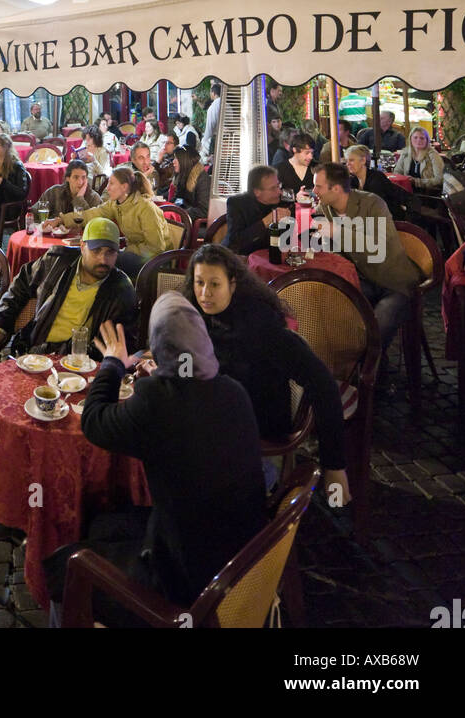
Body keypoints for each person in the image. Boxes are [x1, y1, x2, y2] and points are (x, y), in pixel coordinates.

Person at [42, 293, 268, 621]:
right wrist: (162, 376)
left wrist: (113, 364)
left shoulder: (157, 403)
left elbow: (93, 422)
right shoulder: (233, 391)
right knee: (104, 522)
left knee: (64, 570)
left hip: (185, 586)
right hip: (242, 561)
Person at [184, 246, 349, 500]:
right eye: (199, 283)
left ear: (233, 284)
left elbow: (323, 383)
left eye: (214, 284)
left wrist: (334, 465)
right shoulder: (199, 316)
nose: (205, 293)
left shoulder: (262, 328)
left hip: (257, 435)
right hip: (213, 422)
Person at [0, 218, 137, 361]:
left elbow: (122, 343)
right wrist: (2, 325)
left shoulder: (122, 290)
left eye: (110, 252)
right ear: (82, 246)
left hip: (83, 364)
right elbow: (19, 287)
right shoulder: (56, 261)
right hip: (36, 354)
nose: (103, 259)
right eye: (96, 251)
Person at [312, 163, 422, 351]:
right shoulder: (324, 210)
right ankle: (345, 367)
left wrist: (337, 231)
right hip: (361, 280)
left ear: (336, 188)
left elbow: (379, 247)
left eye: (318, 186)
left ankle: (370, 374)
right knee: (329, 314)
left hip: (393, 282)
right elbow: (329, 251)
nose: (313, 191)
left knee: (375, 330)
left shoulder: (372, 203)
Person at [53, 165, 175, 280]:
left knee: (107, 259)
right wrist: (62, 220)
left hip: (155, 262)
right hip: (135, 255)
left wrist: (127, 250)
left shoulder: (145, 208)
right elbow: (91, 214)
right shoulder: (116, 204)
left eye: (111, 183)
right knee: (87, 253)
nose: (107, 188)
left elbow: (156, 248)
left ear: (124, 187)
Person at [225, 165, 293, 258]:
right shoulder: (237, 204)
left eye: (278, 186)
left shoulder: (283, 203)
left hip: (272, 258)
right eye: (273, 188)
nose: (279, 192)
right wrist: (265, 221)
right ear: (257, 192)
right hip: (242, 260)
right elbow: (235, 242)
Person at [344, 144, 407, 220]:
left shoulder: (376, 178)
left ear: (363, 160)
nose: (348, 164)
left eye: (351, 160)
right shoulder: (352, 180)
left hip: (389, 221)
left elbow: (376, 208)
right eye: (346, 161)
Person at [393, 127, 444, 191]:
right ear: (410, 139)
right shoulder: (405, 153)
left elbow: (439, 179)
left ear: (427, 140)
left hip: (428, 193)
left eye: (422, 138)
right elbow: (397, 172)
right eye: (415, 137)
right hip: (407, 190)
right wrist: (404, 179)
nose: (418, 140)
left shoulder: (433, 155)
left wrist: (416, 182)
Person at [167, 147, 210, 221]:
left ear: (185, 161)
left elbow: (204, 210)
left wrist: (181, 213)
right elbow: (177, 198)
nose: (173, 161)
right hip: (184, 217)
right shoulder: (182, 175)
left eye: (176, 158)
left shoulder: (202, 179)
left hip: (196, 224)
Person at [275, 131, 316, 196]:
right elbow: (276, 194)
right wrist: (295, 196)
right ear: (295, 150)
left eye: (312, 153)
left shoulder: (317, 167)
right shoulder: (279, 169)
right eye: (307, 153)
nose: (311, 157)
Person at [200, 82, 221, 161]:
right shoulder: (227, 105)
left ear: (213, 93)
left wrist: (204, 142)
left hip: (215, 141)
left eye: (210, 92)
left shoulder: (212, 108)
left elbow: (210, 128)